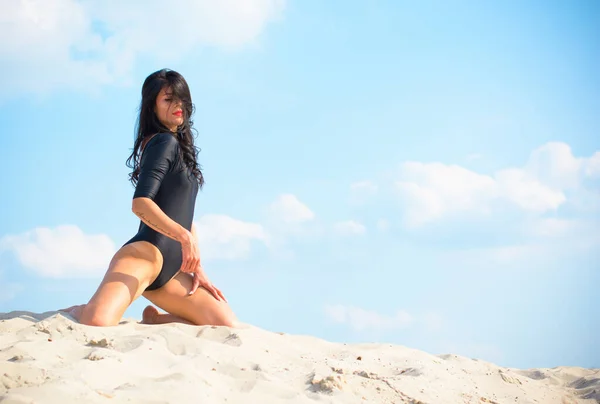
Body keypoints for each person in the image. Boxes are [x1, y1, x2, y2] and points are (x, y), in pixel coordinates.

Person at [61, 69, 238, 328]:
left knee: (225, 326)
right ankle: (81, 309)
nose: (178, 105)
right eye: (168, 99)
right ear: (152, 107)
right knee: (98, 321)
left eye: (180, 98)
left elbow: (183, 213)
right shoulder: (163, 142)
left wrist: (197, 266)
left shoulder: (180, 149)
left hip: (172, 270)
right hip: (145, 255)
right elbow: (140, 203)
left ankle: (154, 320)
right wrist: (184, 237)